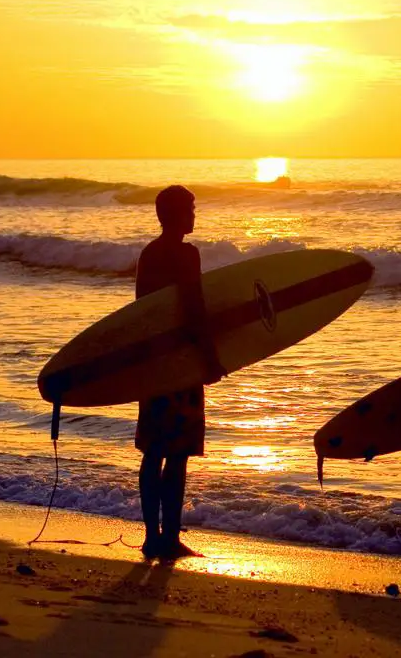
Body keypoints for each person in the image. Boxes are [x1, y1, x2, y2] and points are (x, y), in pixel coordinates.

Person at [134, 185, 226, 560]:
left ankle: (151, 536)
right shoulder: (187, 254)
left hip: (154, 365)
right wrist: (211, 359)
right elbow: (194, 309)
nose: (194, 214)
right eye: (190, 208)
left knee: (154, 450)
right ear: (174, 214)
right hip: (183, 366)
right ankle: (169, 537)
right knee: (177, 454)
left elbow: (141, 311)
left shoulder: (149, 253)